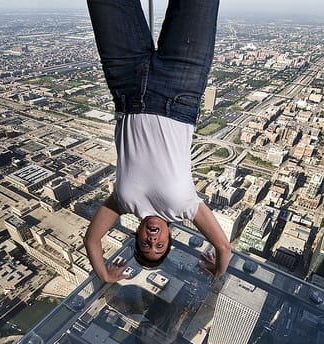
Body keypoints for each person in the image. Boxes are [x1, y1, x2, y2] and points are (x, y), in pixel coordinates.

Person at [84, 0, 230, 283]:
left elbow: (91, 241)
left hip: (126, 83)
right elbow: (224, 247)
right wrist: (217, 272)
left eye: (145, 244)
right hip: (181, 83)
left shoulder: (123, 203)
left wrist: (105, 276)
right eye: (159, 246)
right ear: (170, 236)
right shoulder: (186, 208)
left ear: (136, 234)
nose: (152, 241)